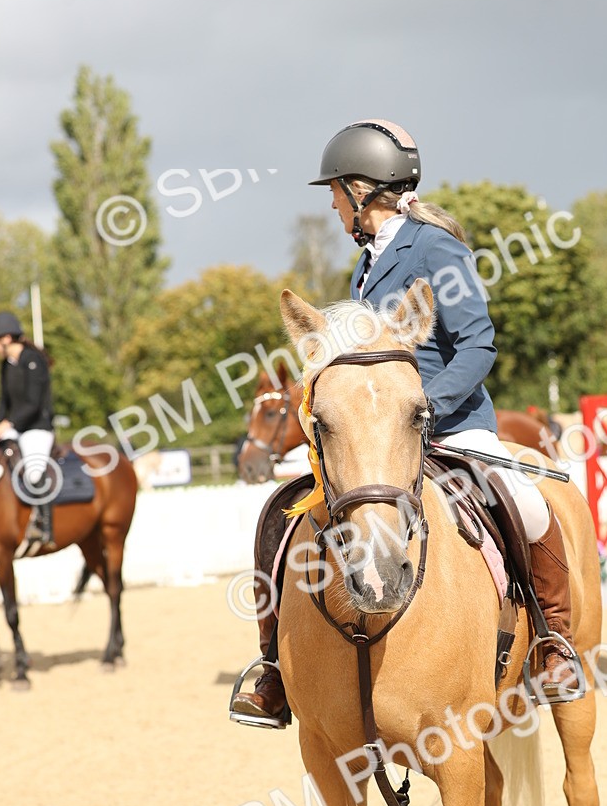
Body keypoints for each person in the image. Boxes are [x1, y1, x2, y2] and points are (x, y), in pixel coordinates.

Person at [231, 119, 583, 726]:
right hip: (377, 436)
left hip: (448, 422)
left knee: (527, 505)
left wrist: (423, 412)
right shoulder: (364, 266)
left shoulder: (435, 247)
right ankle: (275, 667)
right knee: (284, 518)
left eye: (336, 191)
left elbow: (477, 345)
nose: (334, 203)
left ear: (362, 189)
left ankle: (554, 642)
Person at [0, 310, 57, 547]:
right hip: (15, 427)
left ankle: (45, 526)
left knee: (32, 471)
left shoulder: (33, 360)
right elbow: (4, 402)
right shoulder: (6, 365)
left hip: (37, 427)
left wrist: (8, 424)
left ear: (6, 338)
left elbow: (33, 403)